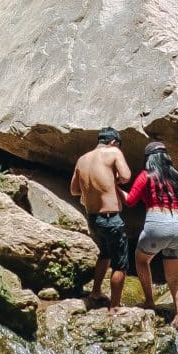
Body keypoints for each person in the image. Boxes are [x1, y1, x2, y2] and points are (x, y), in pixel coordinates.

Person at [124, 141, 178, 328]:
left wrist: (115, 190)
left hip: (156, 224)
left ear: (148, 159)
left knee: (142, 260)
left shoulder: (145, 176)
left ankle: (149, 301)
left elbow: (130, 201)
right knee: (174, 277)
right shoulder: (177, 176)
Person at [72, 128, 134, 312]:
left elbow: (74, 190)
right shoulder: (113, 151)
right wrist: (111, 181)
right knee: (120, 264)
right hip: (111, 217)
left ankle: (96, 291)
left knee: (105, 254)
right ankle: (114, 307)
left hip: (93, 218)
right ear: (113, 142)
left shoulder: (82, 159)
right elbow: (126, 176)